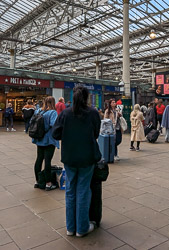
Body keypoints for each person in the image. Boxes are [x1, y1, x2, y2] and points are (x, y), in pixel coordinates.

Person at [52, 86, 100, 237]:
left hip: (70, 157)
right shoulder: (93, 113)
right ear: (87, 98)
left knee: (70, 190)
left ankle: (70, 228)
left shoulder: (65, 113)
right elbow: (96, 132)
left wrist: (68, 135)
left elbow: (55, 133)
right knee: (84, 190)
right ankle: (82, 228)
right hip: (87, 157)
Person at [32, 96, 59, 191]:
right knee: (47, 160)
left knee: (39, 159)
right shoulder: (53, 112)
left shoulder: (38, 111)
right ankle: (48, 183)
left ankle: (37, 181)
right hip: (49, 140)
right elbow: (53, 124)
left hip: (39, 139)